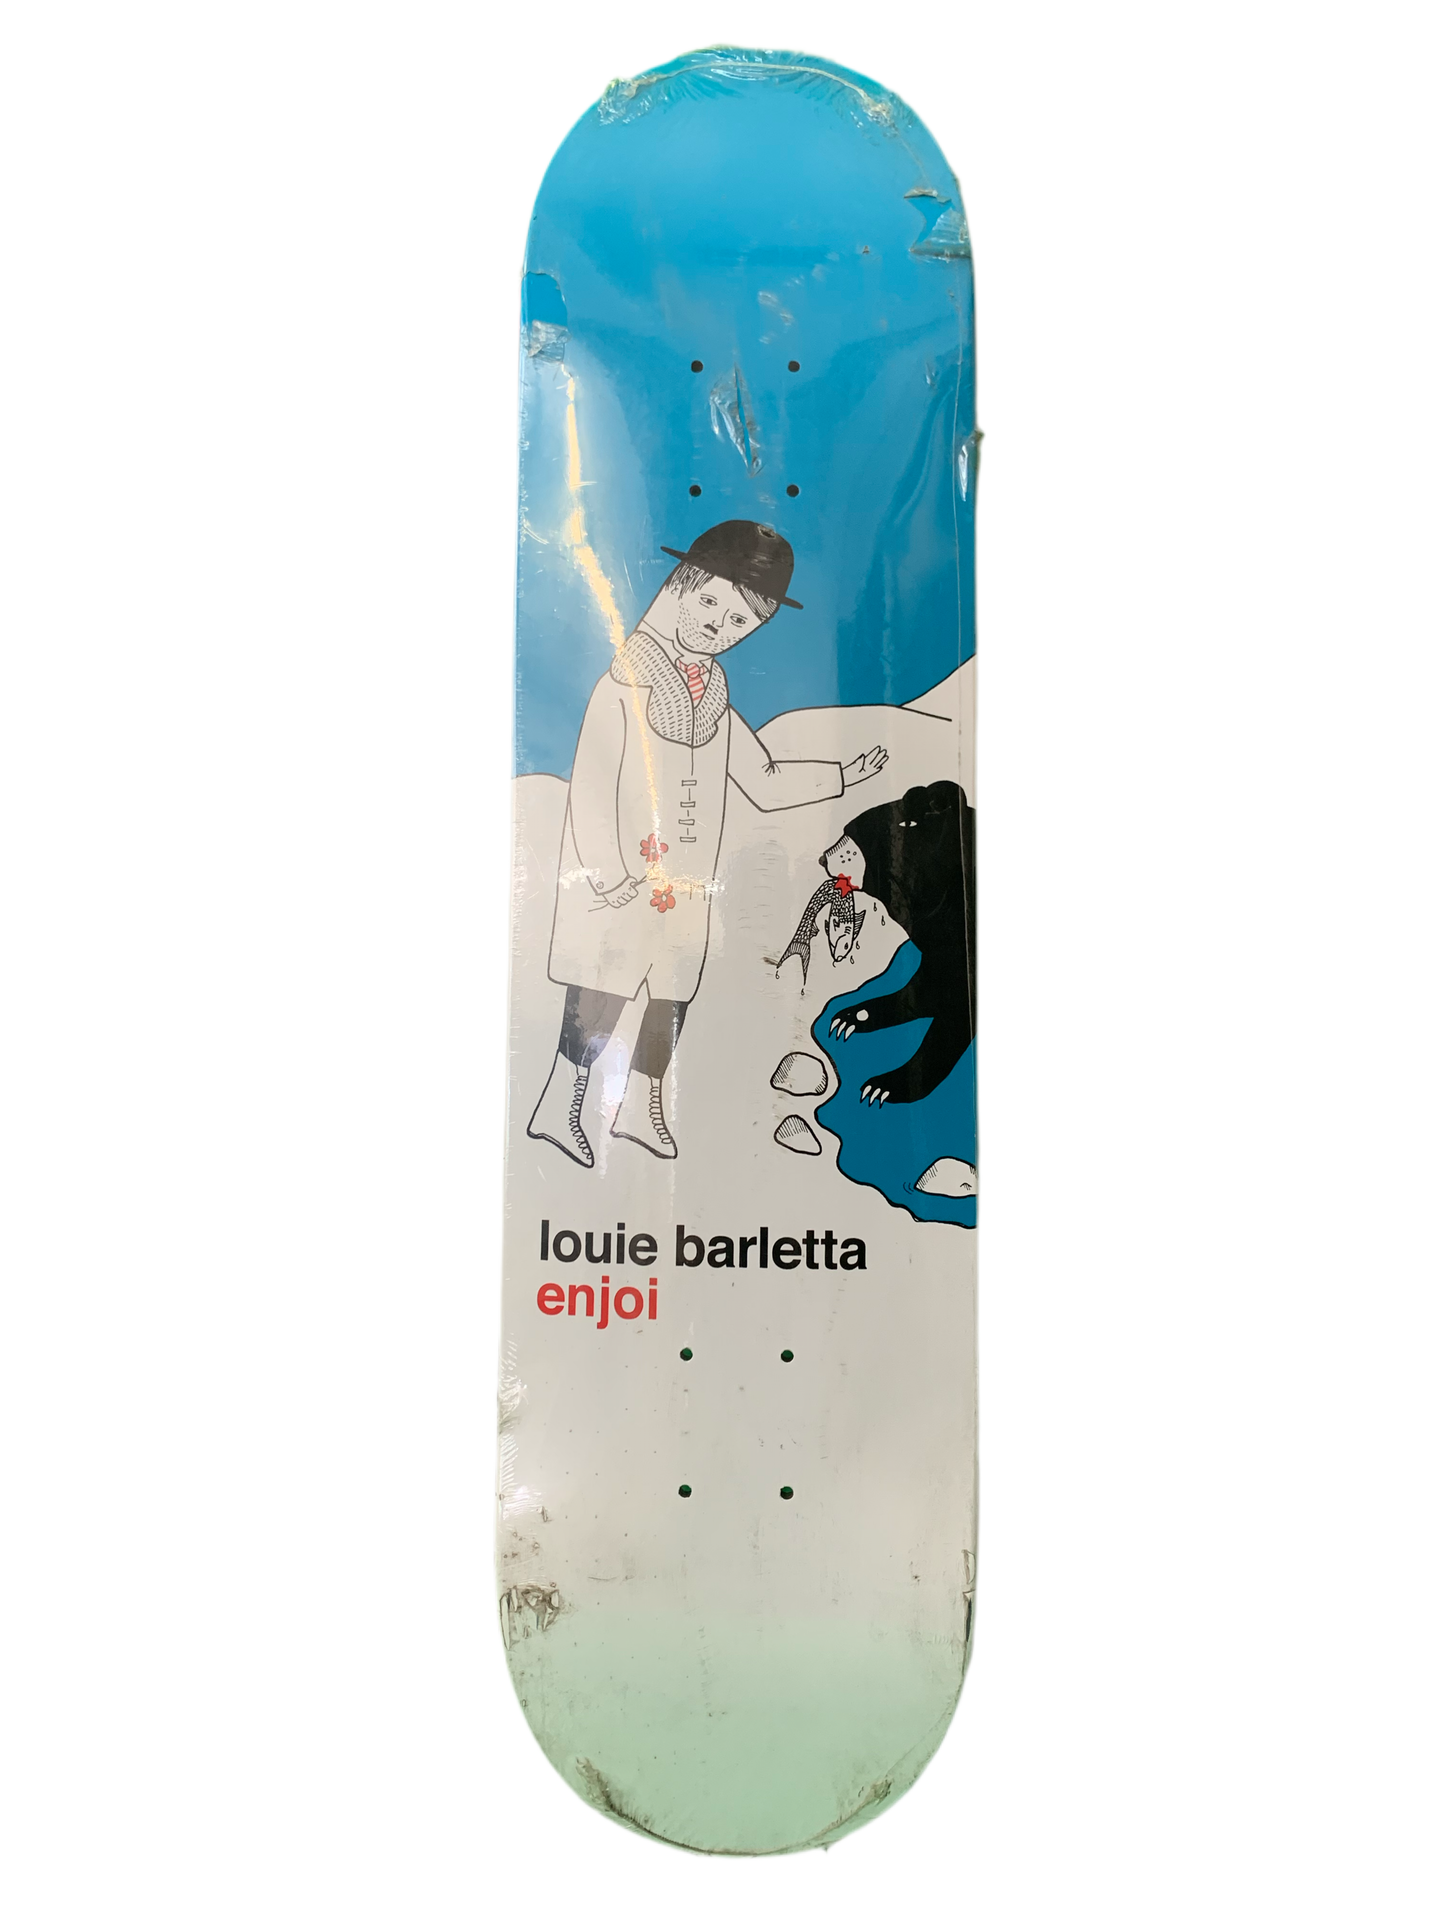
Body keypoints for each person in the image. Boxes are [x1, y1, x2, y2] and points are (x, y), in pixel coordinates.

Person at [528, 520, 887, 1165]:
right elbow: (592, 786)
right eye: (711, 603)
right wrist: (609, 874)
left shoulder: (712, 694)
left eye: (740, 622)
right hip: (621, 880)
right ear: (680, 586)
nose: (718, 626)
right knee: (600, 990)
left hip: (689, 881)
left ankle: (641, 1106)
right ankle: (561, 1105)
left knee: (669, 992)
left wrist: (843, 774)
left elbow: (764, 778)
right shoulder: (624, 683)